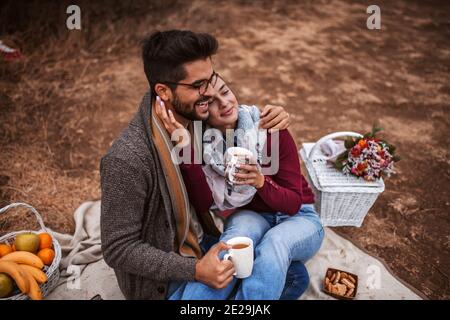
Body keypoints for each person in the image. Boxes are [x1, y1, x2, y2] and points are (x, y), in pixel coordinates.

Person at [100, 29, 294, 300]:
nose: (209, 92)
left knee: (294, 275)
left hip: (205, 241)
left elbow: (241, 120)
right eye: (197, 86)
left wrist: (273, 117)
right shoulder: (128, 158)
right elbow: (117, 248)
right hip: (168, 277)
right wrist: (195, 270)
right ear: (163, 91)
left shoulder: (197, 121)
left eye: (211, 79)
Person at [157, 74, 324, 300]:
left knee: (274, 243)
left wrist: (261, 182)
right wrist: (186, 152)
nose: (224, 103)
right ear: (201, 112)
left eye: (225, 92)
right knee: (232, 244)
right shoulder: (202, 145)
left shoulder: (269, 128)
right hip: (253, 215)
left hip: (299, 216)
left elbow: (293, 203)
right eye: (211, 102)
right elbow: (204, 203)